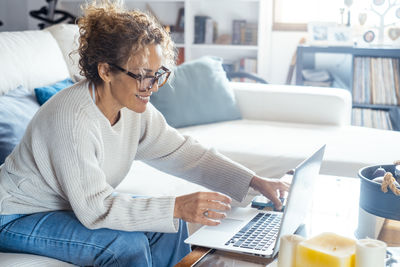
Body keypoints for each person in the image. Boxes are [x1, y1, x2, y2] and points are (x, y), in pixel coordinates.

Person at [0, 1, 290, 266]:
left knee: (169, 225)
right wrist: (176, 205)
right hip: (15, 214)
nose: (151, 86)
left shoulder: (132, 108)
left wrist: (253, 181)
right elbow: (94, 209)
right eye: (142, 75)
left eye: (157, 74)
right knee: (125, 245)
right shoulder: (72, 119)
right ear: (105, 71)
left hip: (63, 205)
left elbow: (185, 154)